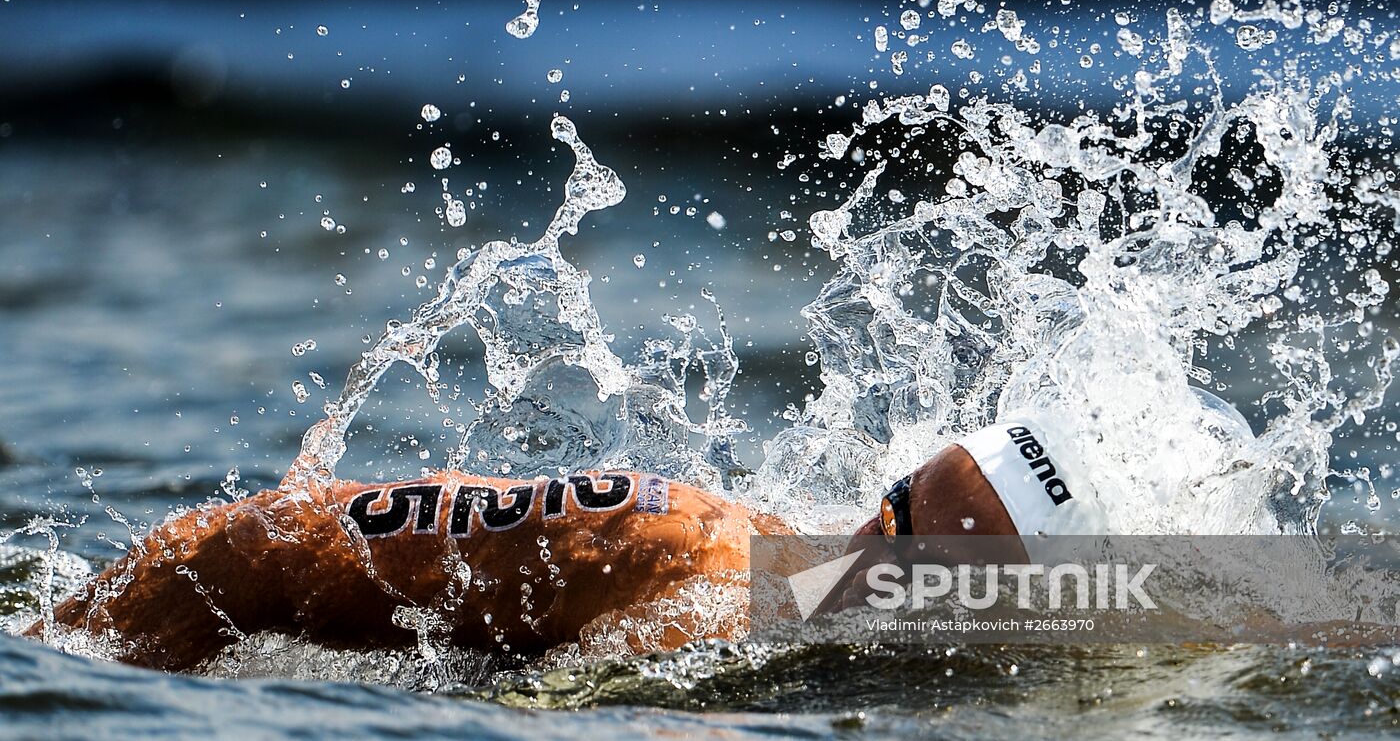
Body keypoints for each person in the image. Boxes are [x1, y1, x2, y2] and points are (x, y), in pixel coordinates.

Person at [29, 416, 1103, 671]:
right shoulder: (736, 592)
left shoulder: (767, 534)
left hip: (222, 545)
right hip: (215, 580)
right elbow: (557, 704)